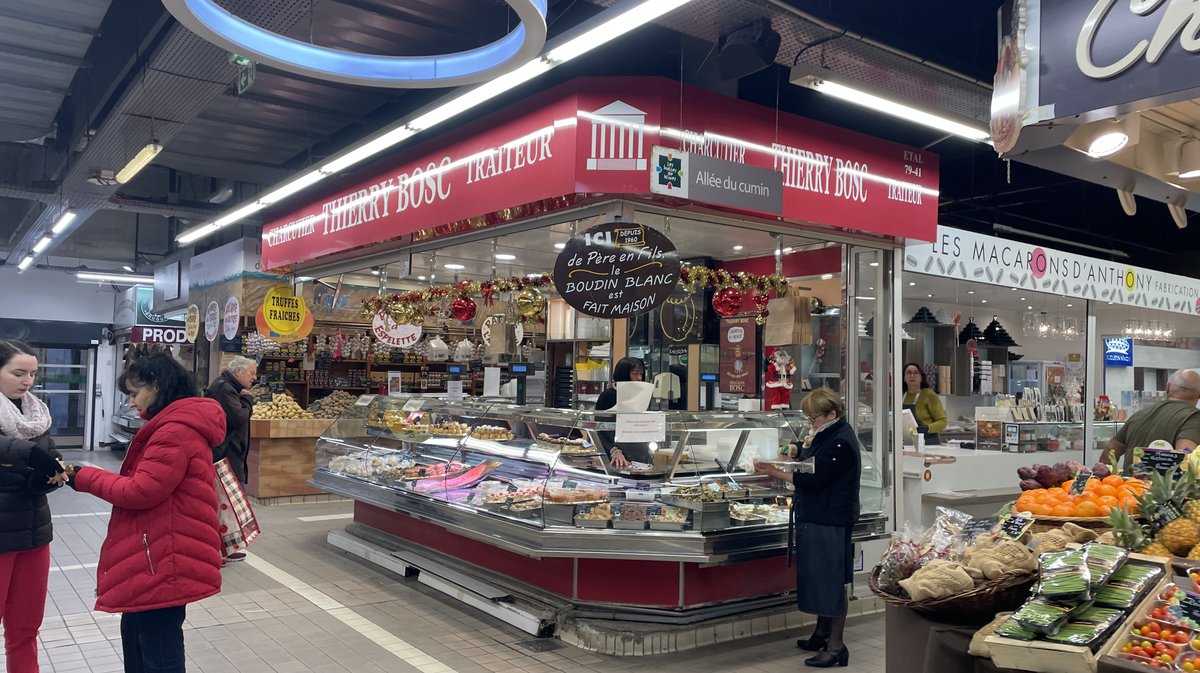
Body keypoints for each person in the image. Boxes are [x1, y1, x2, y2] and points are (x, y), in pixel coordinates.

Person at [65, 354, 224, 673]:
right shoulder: (174, 424)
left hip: (165, 558)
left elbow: (141, 491)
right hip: (159, 552)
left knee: (158, 650)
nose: (132, 401)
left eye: (134, 393)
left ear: (157, 385)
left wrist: (82, 476)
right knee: (140, 639)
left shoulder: (174, 431)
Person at [755, 387, 861, 668]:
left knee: (831, 581)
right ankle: (821, 633)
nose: (809, 422)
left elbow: (815, 479)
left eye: (813, 418)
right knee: (821, 579)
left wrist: (775, 471)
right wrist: (798, 448)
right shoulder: (827, 434)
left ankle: (836, 647)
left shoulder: (840, 441)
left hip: (830, 519)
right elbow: (811, 460)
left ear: (831, 414)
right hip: (816, 515)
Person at [0, 340, 66, 672]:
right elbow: (11, 451)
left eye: (33, 374)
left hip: (35, 533)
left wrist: (53, 473)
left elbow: (49, 455)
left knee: (26, 628)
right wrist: (30, 459)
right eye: (18, 373)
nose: (27, 381)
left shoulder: (37, 413)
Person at [1103, 369, 1200, 474]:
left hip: (1127, 488)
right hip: (1164, 490)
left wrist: (1104, 480)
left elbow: (1111, 449)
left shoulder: (1139, 415)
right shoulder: (1194, 417)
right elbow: (1185, 460)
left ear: (1167, 387)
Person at [204, 356, 256, 484]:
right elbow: (239, 417)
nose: (254, 378)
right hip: (227, 456)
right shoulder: (225, 389)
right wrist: (247, 400)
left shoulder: (228, 387)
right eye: (252, 373)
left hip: (229, 455)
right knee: (234, 500)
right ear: (238, 371)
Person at [596, 357, 650, 469]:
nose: (639, 378)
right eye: (635, 373)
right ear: (623, 374)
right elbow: (600, 429)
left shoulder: (641, 396)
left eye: (641, 374)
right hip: (617, 456)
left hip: (640, 453)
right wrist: (614, 451)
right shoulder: (608, 395)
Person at [902, 362, 946, 444]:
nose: (912, 375)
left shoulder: (929, 395)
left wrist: (928, 428)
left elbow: (943, 422)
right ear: (904, 378)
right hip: (907, 442)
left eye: (916, 373)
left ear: (921, 378)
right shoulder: (899, 396)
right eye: (908, 372)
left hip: (928, 443)